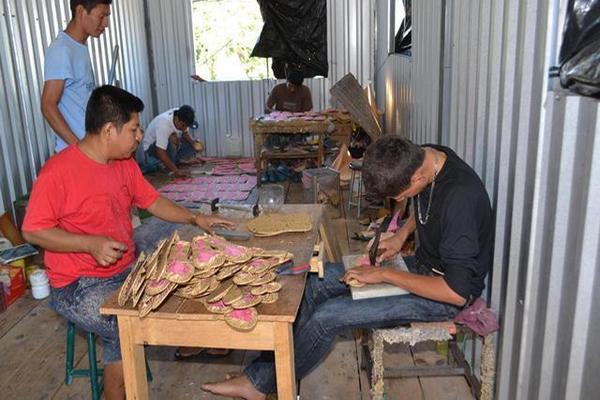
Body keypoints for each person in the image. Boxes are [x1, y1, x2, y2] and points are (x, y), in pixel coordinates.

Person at [201, 136, 493, 399]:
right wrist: (402, 235)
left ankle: (259, 384)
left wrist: (384, 274)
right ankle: (262, 375)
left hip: (441, 295)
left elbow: (456, 292)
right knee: (313, 283)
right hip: (420, 267)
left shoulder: (460, 199)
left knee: (327, 317)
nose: (401, 202)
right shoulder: (430, 156)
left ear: (417, 176)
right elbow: (428, 206)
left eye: (401, 196)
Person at [22, 85, 234, 400]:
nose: (139, 137)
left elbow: (153, 202)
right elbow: (32, 230)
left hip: (124, 268)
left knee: (182, 262)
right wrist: (89, 244)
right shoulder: (59, 172)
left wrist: (195, 219)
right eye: (134, 129)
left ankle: (187, 340)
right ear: (109, 130)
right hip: (78, 286)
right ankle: (173, 348)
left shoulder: (124, 164)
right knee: (127, 324)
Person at [41, 0, 111, 153]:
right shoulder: (61, 50)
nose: (106, 23)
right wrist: (78, 147)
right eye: (101, 16)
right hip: (76, 152)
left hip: (90, 148)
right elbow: (48, 105)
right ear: (80, 11)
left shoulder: (79, 46)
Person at [141, 105, 204, 178]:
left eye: (187, 126)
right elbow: (160, 152)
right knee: (173, 138)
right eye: (184, 125)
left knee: (191, 145)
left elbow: (185, 134)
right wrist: (176, 171)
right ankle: (170, 165)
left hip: (167, 147)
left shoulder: (181, 114)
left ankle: (176, 162)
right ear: (177, 120)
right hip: (151, 150)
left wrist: (195, 144)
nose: (185, 128)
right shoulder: (163, 124)